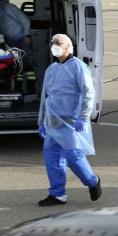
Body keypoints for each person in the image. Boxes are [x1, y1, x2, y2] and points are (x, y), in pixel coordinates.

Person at [37, 34, 101, 206]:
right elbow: (45, 96)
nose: (54, 46)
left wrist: (83, 117)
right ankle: (57, 194)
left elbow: (89, 93)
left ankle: (92, 181)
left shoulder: (79, 67)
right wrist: (42, 120)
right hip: (52, 121)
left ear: (68, 46)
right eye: (52, 43)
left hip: (71, 121)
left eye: (58, 43)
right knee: (52, 157)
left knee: (74, 157)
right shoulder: (51, 69)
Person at [0, 0, 34, 72]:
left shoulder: (7, 8)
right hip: (9, 40)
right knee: (15, 62)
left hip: (21, 38)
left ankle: (30, 80)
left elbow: (25, 20)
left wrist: (27, 35)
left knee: (26, 59)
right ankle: (18, 80)